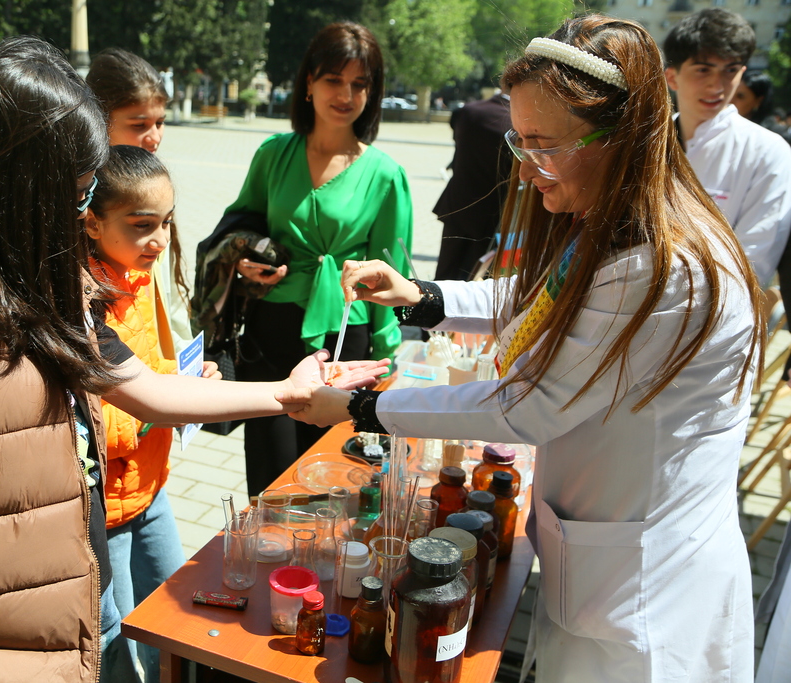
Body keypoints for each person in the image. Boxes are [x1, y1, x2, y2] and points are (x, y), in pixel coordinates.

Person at [0, 36, 386, 683]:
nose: (79, 215)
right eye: (75, 193)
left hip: (42, 627)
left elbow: (146, 390)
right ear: (3, 180)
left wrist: (286, 391)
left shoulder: (32, 272)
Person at [277, 15, 761, 682]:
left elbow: (525, 407)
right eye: (520, 141)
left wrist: (360, 407)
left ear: (619, 137)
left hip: (645, 606)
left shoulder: (660, 265)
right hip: (602, 563)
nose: (527, 168)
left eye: (544, 145)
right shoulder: (615, 219)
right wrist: (421, 295)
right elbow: (546, 303)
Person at [224, 21, 413, 497]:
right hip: (272, 329)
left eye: (360, 83)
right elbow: (238, 226)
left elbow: (394, 277)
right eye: (334, 79)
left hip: (346, 338)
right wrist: (245, 260)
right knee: (268, 477)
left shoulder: (386, 175)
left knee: (333, 477)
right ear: (308, 83)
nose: (346, 94)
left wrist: (388, 357)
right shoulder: (273, 154)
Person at [83, 145, 198, 683]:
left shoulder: (142, 272)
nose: (159, 239)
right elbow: (106, 410)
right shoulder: (76, 294)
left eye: (167, 223)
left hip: (151, 488)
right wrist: (162, 405)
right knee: (117, 646)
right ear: (91, 222)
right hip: (100, 509)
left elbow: (155, 364)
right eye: (142, 225)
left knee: (176, 616)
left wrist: (190, 385)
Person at [663, 8, 791, 286]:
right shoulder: (648, 142)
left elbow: (752, 266)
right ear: (672, 77)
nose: (716, 85)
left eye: (730, 71)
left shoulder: (769, 152)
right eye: (703, 69)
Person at [86, 48, 192, 353]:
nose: (154, 137)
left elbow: (168, 301)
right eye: (138, 125)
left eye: (160, 123)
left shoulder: (152, 186)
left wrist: (187, 360)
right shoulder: (78, 204)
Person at [432, 89, 512, 281]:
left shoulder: (468, 111)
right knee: (474, 277)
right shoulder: (515, 121)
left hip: (457, 204)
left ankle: (432, 307)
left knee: (445, 271)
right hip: (492, 212)